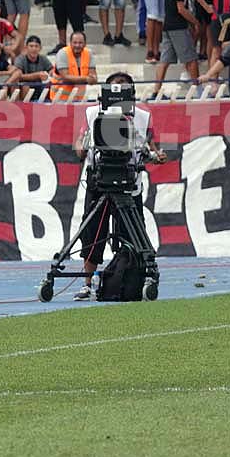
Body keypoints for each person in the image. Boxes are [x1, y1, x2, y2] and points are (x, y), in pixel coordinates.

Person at [71, 71, 165, 300]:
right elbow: (81, 141)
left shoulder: (142, 117)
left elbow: (152, 146)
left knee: (134, 232)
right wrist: (81, 148)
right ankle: (87, 283)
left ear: (131, 93)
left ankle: (136, 278)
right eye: (115, 86)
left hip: (129, 181)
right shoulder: (92, 113)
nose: (119, 91)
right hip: (100, 180)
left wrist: (157, 155)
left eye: (123, 87)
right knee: (92, 231)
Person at [152, 0, 201, 96]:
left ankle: (156, 90)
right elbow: (181, 8)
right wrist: (194, 22)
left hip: (169, 26)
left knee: (165, 60)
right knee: (191, 58)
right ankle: (197, 89)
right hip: (178, 26)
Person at [50, 30, 97, 102]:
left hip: (80, 99)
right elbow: (65, 77)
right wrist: (86, 79)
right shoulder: (62, 53)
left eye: (80, 43)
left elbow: (93, 78)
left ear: (85, 44)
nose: (77, 45)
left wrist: (92, 79)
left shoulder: (89, 53)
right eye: (75, 42)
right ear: (70, 43)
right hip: (59, 98)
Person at [7, 35, 53, 100]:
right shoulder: (20, 59)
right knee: (24, 86)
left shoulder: (43, 58)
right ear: (26, 48)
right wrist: (36, 75)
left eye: (36, 46)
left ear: (40, 48)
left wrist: (51, 73)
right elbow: (17, 76)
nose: (34, 49)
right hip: (22, 88)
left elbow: (51, 70)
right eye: (31, 46)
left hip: (39, 87)